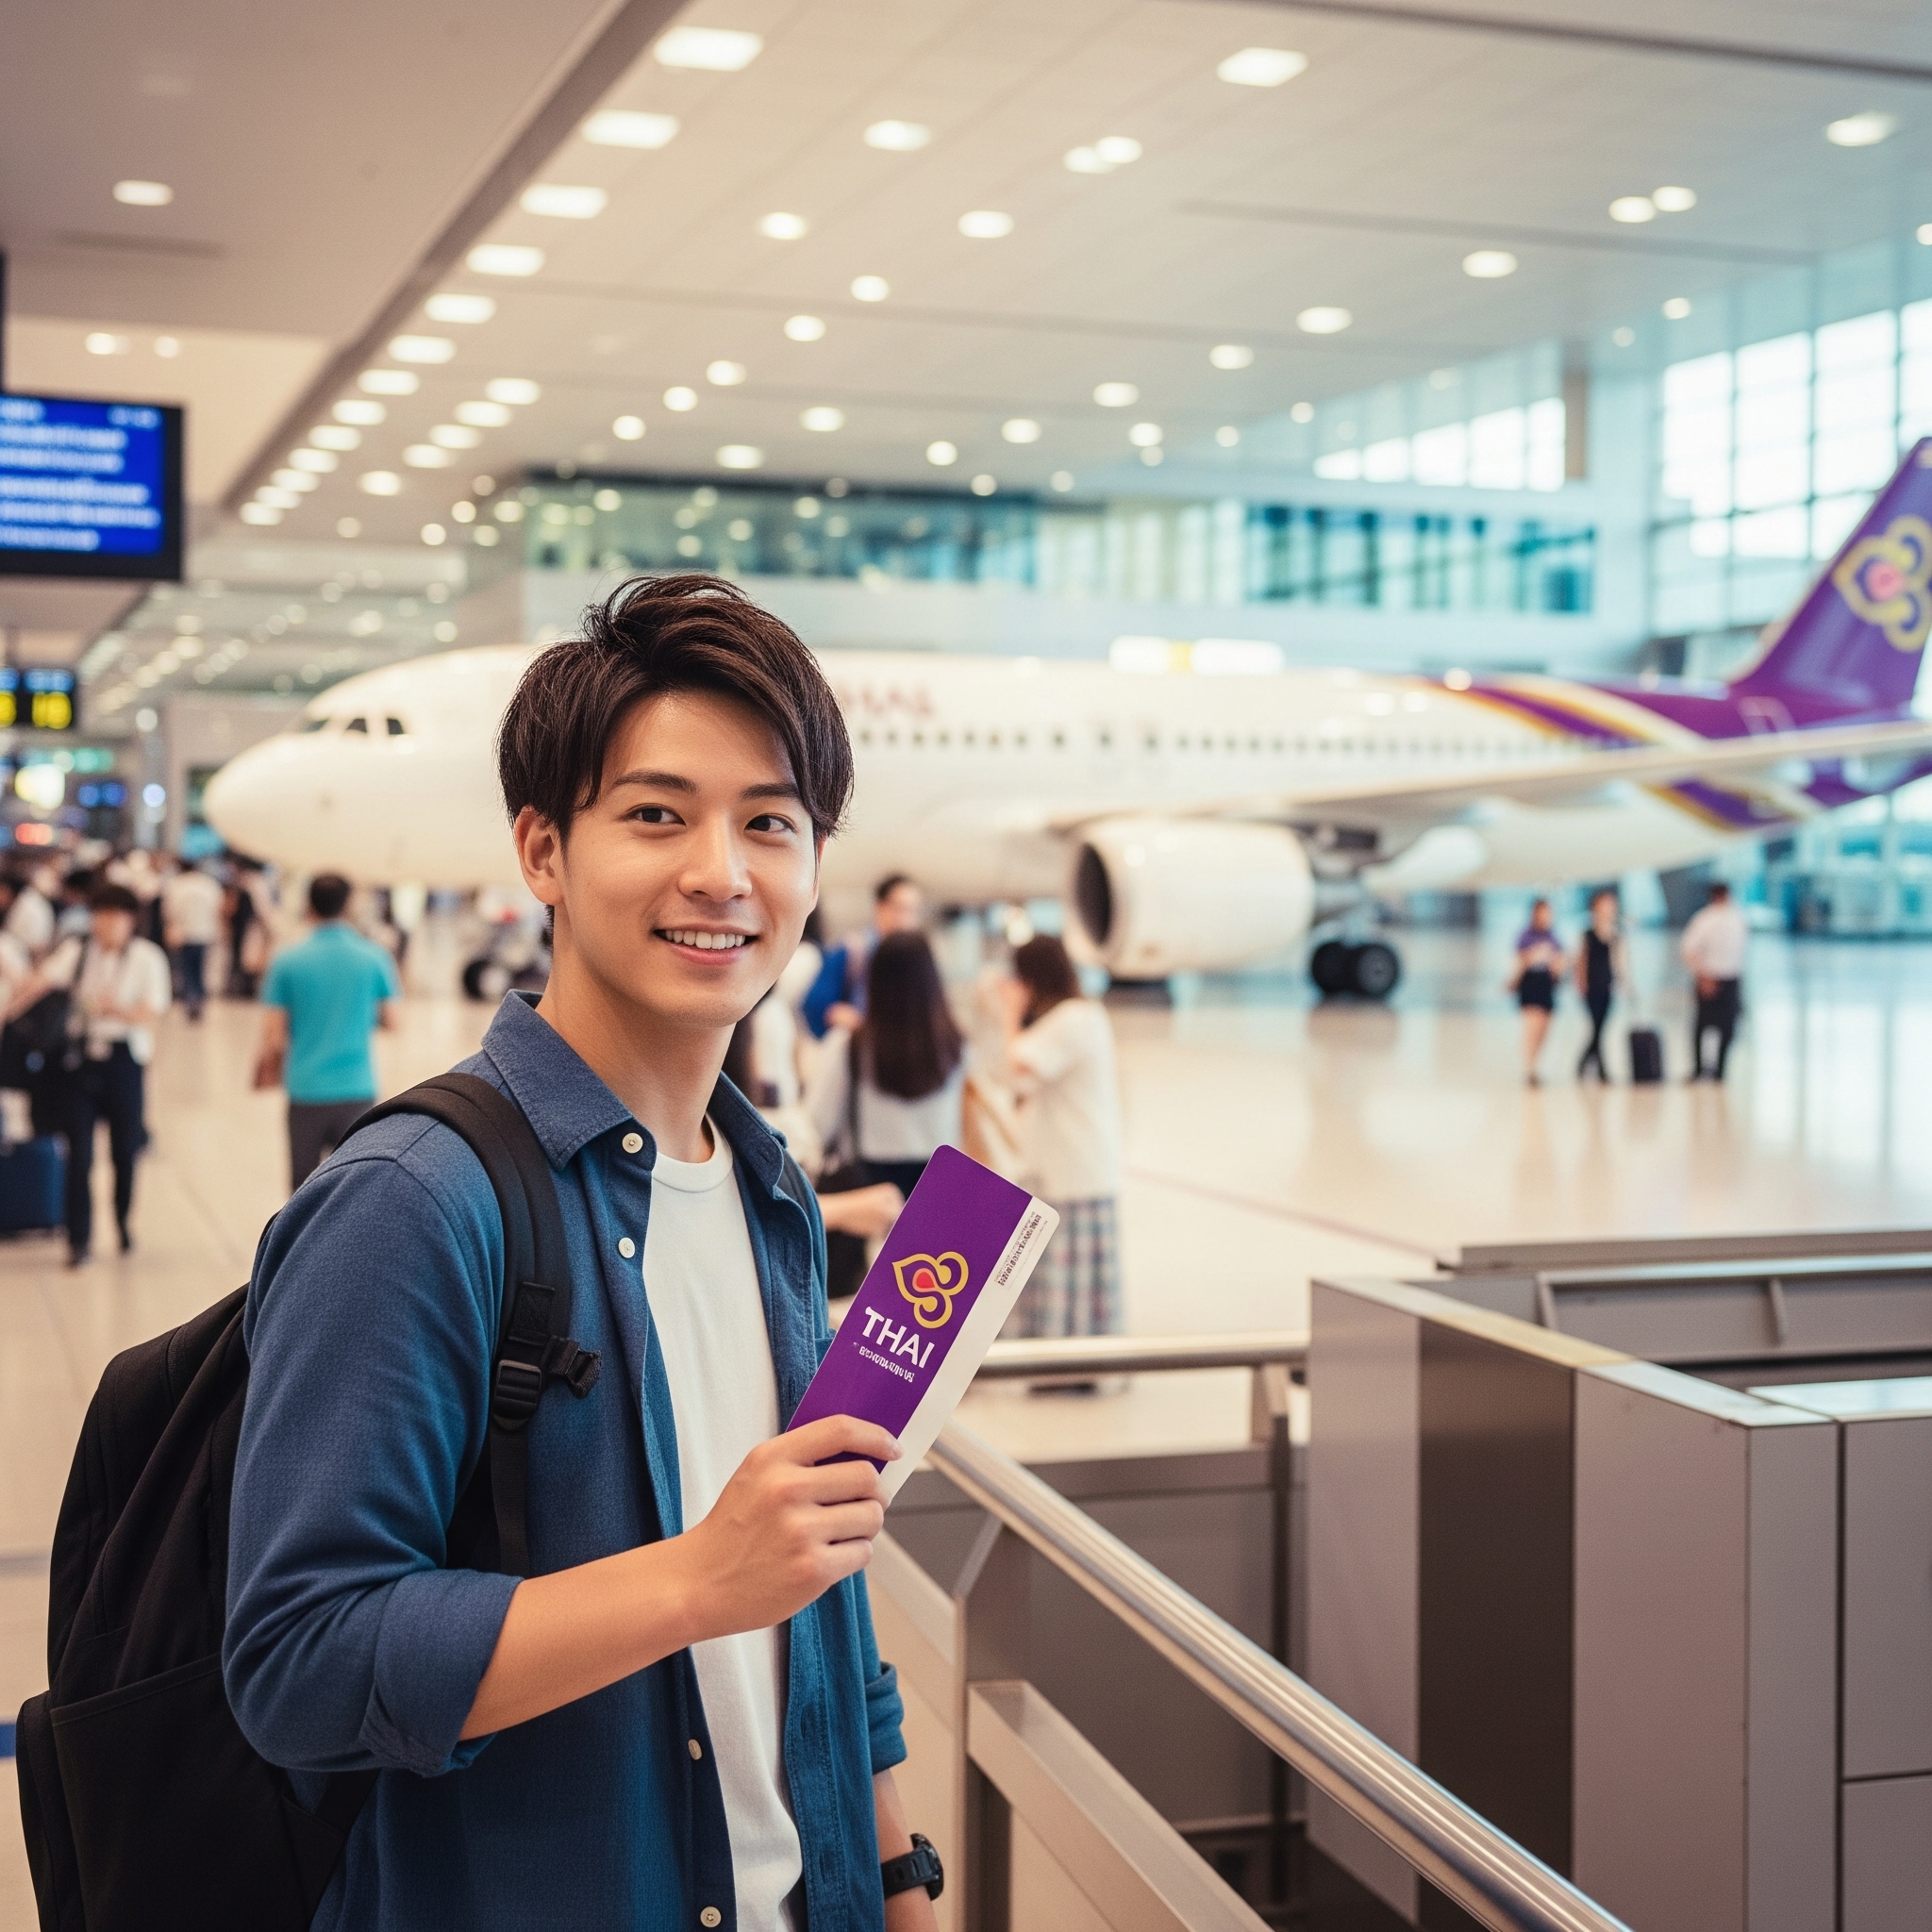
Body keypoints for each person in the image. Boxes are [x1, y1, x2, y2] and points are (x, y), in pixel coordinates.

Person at [225, 575, 935, 1932]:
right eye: (657, 814)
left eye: (771, 824)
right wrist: (690, 1580)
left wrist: (899, 1881)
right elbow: (299, 1665)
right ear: (544, 852)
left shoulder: (773, 1191)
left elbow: (816, 1592)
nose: (723, 873)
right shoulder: (412, 1204)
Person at [10, 883, 172, 1264]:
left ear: (131, 920)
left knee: (124, 1150)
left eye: (116, 916)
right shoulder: (78, 952)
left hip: (124, 1060)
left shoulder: (148, 958)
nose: (107, 924)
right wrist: (11, 1009)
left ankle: (122, 1222)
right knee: (78, 1153)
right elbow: (40, 982)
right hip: (79, 1062)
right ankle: (78, 1238)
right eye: (100, 915)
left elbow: (152, 1012)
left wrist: (111, 1010)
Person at [997, 935, 1124, 1339]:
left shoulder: (1076, 1018)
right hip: (1068, 1166)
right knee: (1061, 1275)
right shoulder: (1074, 1018)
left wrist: (1009, 1014)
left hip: (1074, 1170)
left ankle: (1067, 1363)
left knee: (1063, 1274)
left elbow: (1014, 1064)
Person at [256, 872, 402, 1191]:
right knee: (351, 1188)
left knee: (302, 1188)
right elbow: (393, 1022)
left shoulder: (288, 960)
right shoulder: (374, 956)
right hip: (357, 1089)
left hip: (306, 1088)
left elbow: (274, 1035)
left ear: (309, 905)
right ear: (349, 906)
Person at [806, 928, 966, 1203]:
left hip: (867, 1190)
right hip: (939, 1188)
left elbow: (818, 1123)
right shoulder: (956, 1046)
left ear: (874, 981)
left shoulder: (850, 1045)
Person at [802, 874, 924, 1038]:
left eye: (913, 911)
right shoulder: (853, 951)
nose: (906, 919)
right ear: (880, 907)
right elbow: (815, 1005)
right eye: (900, 908)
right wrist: (853, 1021)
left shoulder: (919, 961)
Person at [1682, 879, 1748, 1081]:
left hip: (1720, 977)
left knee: (1720, 1027)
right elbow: (1689, 950)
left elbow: (1688, 950)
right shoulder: (1727, 918)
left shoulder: (1732, 918)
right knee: (1706, 1026)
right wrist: (1703, 975)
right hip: (1717, 978)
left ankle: (1714, 1069)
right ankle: (1704, 1068)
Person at [1509, 898, 1567, 1088]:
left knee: (1544, 1028)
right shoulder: (1526, 936)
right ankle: (1530, 1068)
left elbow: (1559, 963)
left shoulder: (1553, 937)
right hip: (1530, 983)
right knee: (1532, 1027)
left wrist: (1559, 965)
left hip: (1547, 984)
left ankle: (1536, 1063)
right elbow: (1519, 962)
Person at [161, 857, 225, 1020]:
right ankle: (199, 1001)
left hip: (184, 933)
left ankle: (190, 1001)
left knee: (187, 970)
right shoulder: (209, 884)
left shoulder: (176, 885)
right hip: (205, 932)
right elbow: (218, 908)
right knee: (200, 969)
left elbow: (170, 911)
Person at [1574, 889, 1628, 1082]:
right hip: (1590, 987)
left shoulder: (1616, 934)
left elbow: (1618, 963)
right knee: (1596, 1027)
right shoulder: (1588, 933)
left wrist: (1626, 985)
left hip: (1607, 986)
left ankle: (1586, 1064)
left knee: (1600, 1028)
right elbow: (1581, 960)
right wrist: (1580, 982)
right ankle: (1600, 1069)